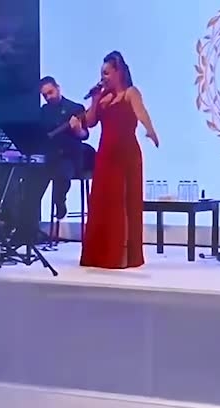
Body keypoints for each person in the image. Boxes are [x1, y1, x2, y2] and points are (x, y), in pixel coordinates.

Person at [80, 51, 159, 269]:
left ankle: (122, 255)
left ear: (119, 72)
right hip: (105, 155)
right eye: (101, 73)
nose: (103, 77)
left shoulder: (130, 93)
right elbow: (90, 121)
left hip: (126, 155)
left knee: (122, 203)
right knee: (102, 202)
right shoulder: (103, 97)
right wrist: (95, 99)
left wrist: (151, 131)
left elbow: (141, 112)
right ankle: (100, 255)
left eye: (106, 73)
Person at [13, 76, 89, 243]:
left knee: (62, 174)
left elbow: (84, 135)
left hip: (69, 157)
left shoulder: (76, 108)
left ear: (58, 88)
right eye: (45, 95)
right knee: (30, 185)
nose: (48, 97)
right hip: (48, 157)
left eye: (50, 92)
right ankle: (25, 232)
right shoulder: (43, 112)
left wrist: (77, 130)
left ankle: (60, 201)